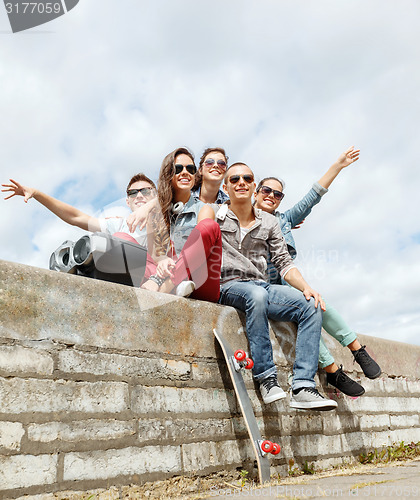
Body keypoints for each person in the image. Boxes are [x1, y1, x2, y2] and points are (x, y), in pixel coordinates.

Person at [253, 147, 381, 397]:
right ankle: (333, 370)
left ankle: (356, 349)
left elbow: (313, 196)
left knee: (317, 301)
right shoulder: (241, 216)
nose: (271, 196)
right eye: (266, 190)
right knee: (306, 307)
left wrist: (338, 165)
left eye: (277, 194)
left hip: (288, 283)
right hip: (264, 287)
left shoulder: (285, 220)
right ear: (256, 192)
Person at [216, 161, 338, 411]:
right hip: (228, 285)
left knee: (309, 304)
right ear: (226, 187)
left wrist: (306, 286)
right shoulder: (214, 214)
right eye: (235, 179)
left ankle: (303, 386)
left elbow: (284, 262)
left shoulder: (269, 222)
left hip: (260, 285)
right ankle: (266, 377)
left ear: (254, 186)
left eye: (247, 178)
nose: (241, 182)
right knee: (257, 295)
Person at [139, 147, 222, 302]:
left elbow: (202, 252)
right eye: (178, 168)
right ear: (168, 174)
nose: (185, 172)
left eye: (190, 169)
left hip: (198, 281)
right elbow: (155, 253)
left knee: (210, 227)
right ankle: (175, 286)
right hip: (165, 274)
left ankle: (168, 286)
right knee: (124, 240)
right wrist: (163, 259)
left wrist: (162, 279)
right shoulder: (155, 212)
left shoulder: (204, 209)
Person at [1, 173, 157, 246]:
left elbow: (175, 195)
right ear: (127, 201)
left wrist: (150, 207)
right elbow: (76, 217)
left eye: (145, 191)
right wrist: (36, 194)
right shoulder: (119, 226)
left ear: (156, 194)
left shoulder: (171, 216)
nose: (139, 195)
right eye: (133, 192)